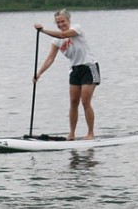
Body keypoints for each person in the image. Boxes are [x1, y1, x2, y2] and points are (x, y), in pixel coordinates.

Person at [33, 9, 100, 140]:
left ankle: (90, 133)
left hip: (89, 67)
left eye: (63, 21)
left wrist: (42, 31)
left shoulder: (76, 28)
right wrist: (38, 73)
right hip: (75, 70)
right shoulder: (56, 40)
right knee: (73, 102)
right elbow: (50, 58)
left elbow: (63, 35)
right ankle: (72, 134)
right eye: (58, 23)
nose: (61, 24)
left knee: (85, 102)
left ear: (68, 20)